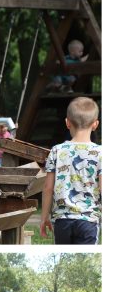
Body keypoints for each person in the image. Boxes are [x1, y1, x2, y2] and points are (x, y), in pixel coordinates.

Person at [40, 97, 101, 244]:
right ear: (95, 124)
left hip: (62, 221)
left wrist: (44, 218)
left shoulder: (56, 151)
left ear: (67, 123)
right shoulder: (101, 153)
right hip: (88, 221)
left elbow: (48, 188)